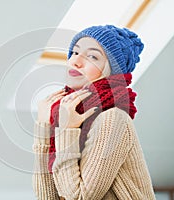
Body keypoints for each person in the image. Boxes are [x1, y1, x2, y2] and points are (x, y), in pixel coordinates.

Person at [32, 25, 156, 200]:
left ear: (111, 72)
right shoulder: (69, 115)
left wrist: (67, 130)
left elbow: (79, 197)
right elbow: (49, 197)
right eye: (74, 53)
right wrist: (44, 129)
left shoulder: (113, 118)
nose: (76, 61)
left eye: (92, 56)